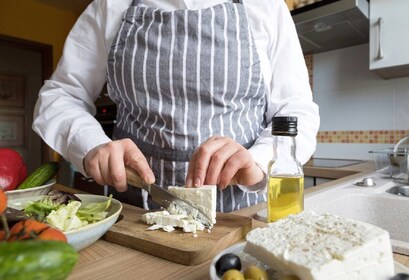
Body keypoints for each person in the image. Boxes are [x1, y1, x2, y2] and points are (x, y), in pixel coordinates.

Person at [33, 0, 320, 212]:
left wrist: (258, 160)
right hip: (136, 210)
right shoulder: (111, 5)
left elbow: (295, 111)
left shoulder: (265, 6)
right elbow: (60, 96)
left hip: (242, 211)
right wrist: (91, 144)